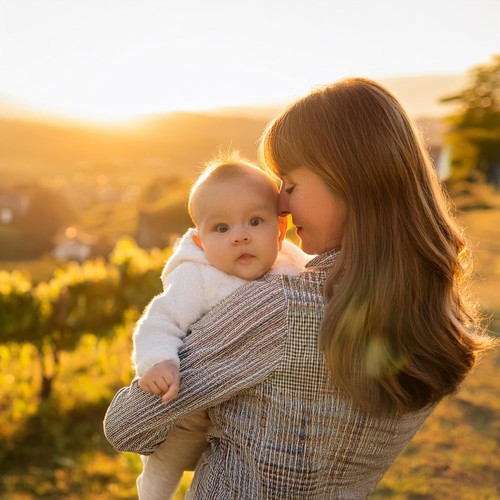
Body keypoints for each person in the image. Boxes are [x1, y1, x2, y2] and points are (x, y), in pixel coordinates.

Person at [104, 78, 494, 499]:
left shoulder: (281, 307)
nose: (281, 205)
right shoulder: (441, 315)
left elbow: (127, 426)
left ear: (348, 179)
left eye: (289, 184)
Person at [131, 155, 310, 499]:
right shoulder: (197, 276)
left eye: (255, 221)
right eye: (222, 228)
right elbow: (159, 321)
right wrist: (159, 362)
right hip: (194, 403)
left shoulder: (291, 265)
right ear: (200, 241)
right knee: (168, 457)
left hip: (257, 408)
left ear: (280, 230)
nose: (239, 237)